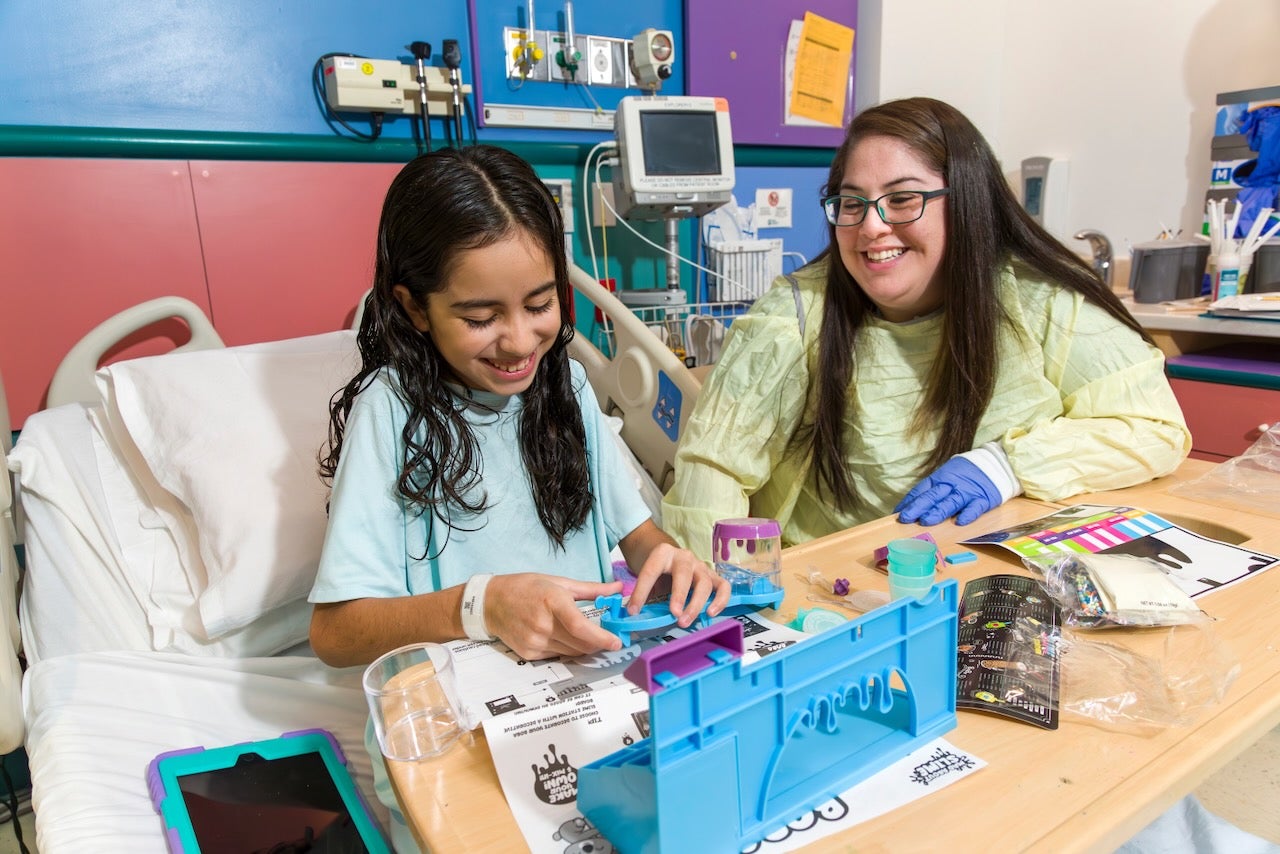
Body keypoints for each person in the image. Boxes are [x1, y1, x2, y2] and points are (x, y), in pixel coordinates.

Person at [308, 145, 728, 850]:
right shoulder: (393, 413)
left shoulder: (560, 383)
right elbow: (336, 633)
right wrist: (482, 605)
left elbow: (638, 538)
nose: (519, 341)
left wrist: (670, 559)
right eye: (479, 317)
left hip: (593, 710)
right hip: (461, 743)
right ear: (413, 307)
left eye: (540, 304)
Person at [662, 97, 1191, 560]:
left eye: (902, 199)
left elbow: (1153, 427)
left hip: (996, 583)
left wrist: (1004, 465)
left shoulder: (1039, 303)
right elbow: (713, 477)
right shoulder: (796, 317)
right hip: (836, 594)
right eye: (852, 203)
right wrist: (722, 597)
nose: (871, 227)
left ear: (967, 204)